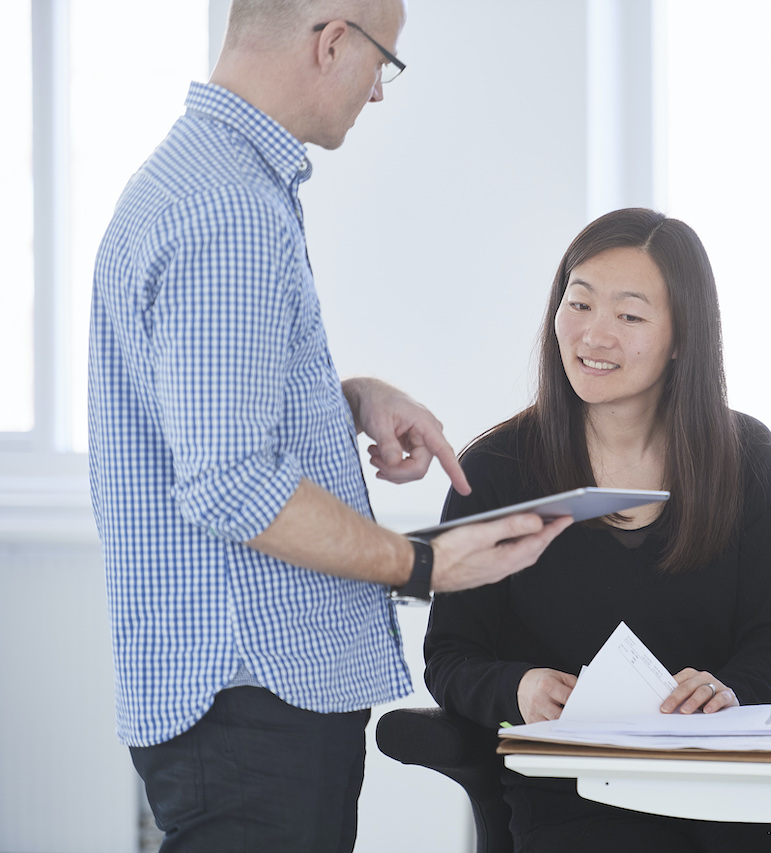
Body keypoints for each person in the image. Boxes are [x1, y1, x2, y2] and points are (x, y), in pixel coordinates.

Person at [88, 1, 570, 850]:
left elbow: (202, 410)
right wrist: (423, 564)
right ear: (333, 40)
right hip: (252, 699)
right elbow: (231, 480)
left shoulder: (200, 178)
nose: (377, 92)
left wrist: (348, 397)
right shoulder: (228, 209)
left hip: (239, 701)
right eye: (383, 61)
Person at [423, 208, 771, 852]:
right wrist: (519, 686)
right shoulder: (496, 469)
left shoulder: (742, 453)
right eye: (577, 305)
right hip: (576, 797)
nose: (594, 335)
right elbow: (450, 656)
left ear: (681, 337)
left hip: (725, 786)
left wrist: (732, 690)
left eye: (629, 316)